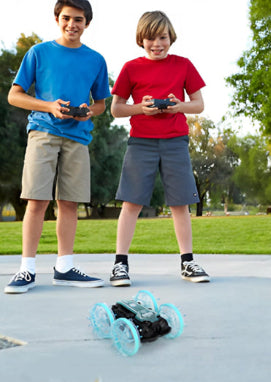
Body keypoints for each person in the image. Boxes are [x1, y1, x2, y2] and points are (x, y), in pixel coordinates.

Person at [4, 0, 111, 294]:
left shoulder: (96, 60)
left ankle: (64, 268)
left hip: (78, 137)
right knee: (37, 200)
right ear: (56, 19)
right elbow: (15, 96)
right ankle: (26, 270)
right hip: (43, 132)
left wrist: (89, 110)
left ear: (87, 23)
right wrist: (49, 106)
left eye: (78, 19)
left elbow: (101, 104)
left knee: (70, 203)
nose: (72, 25)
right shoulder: (38, 53)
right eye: (66, 18)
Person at [109, 10, 210, 286]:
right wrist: (140, 109)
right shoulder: (131, 68)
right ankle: (120, 264)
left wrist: (179, 105)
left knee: (181, 203)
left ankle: (187, 262)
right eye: (151, 38)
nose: (157, 44)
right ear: (141, 39)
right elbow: (116, 109)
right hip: (141, 142)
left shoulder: (184, 65)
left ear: (171, 37)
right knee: (132, 202)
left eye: (163, 37)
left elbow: (199, 104)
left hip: (176, 141)